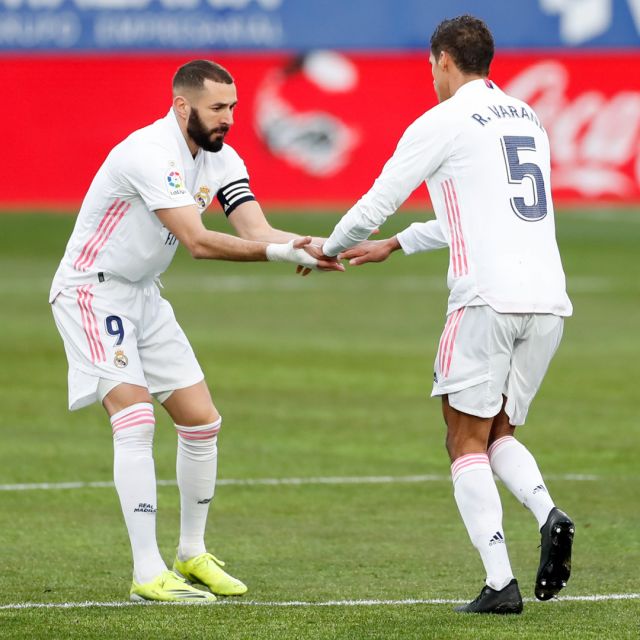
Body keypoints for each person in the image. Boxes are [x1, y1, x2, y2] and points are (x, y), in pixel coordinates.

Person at [49, 59, 342, 603]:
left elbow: (255, 229)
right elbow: (199, 241)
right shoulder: (148, 154)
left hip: (144, 295)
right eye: (217, 108)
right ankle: (146, 571)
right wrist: (278, 252)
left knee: (202, 422)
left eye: (232, 106)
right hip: (92, 290)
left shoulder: (221, 157)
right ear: (183, 106)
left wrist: (307, 243)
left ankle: (191, 553)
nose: (229, 118)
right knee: (135, 417)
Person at [320, 15, 575, 614]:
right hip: (549, 300)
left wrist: (328, 249)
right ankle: (548, 512)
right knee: (499, 431)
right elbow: (485, 213)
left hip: (486, 298)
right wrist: (398, 244)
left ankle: (499, 584)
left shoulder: (443, 120)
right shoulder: (527, 116)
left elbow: (376, 201)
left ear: (441, 60)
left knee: (463, 438)